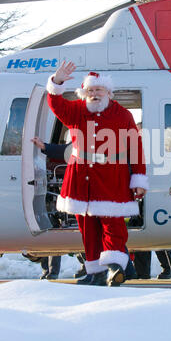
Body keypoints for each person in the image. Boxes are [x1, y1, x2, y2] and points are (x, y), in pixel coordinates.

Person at [45, 61, 148, 286]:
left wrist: (138, 178)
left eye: (98, 90)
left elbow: (135, 148)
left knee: (113, 224)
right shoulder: (76, 111)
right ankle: (96, 271)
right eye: (90, 91)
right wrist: (58, 81)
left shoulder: (122, 115)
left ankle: (114, 265)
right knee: (87, 228)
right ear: (84, 93)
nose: (94, 94)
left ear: (108, 92)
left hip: (112, 177)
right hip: (81, 179)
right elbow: (55, 103)